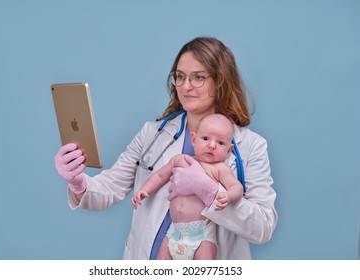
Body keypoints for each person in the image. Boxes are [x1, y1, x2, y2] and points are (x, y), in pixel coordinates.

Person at [54, 36, 278, 259]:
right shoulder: (153, 134)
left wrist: (209, 191)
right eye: (180, 76)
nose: (185, 86)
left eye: (198, 77)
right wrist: (79, 183)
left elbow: (263, 228)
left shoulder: (250, 146)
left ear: (221, 82)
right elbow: (110, 188)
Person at [131, 114, 243, 260]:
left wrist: (228, 196)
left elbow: (236, 187)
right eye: (205, 138)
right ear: (193, 139)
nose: (212, 145)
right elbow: (159, 176)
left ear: (229, 150)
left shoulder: (219, 169)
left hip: (202, 235)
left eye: (220, 143)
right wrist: (145, 190)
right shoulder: (180, 159)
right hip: (174, 232)